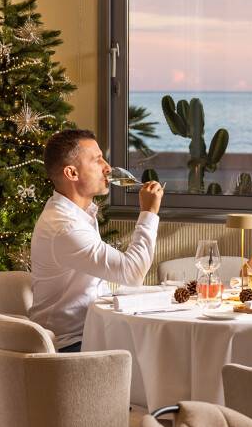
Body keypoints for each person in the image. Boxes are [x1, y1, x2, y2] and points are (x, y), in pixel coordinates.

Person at [29, 129, 163, 351]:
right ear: (72, 173)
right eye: (97, 160)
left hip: (93, 331)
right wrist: (149, 212)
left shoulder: (76, 214)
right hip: (71, 346)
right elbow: (132, 273)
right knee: (158, 349)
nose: (107, 167)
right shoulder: (65, 227)